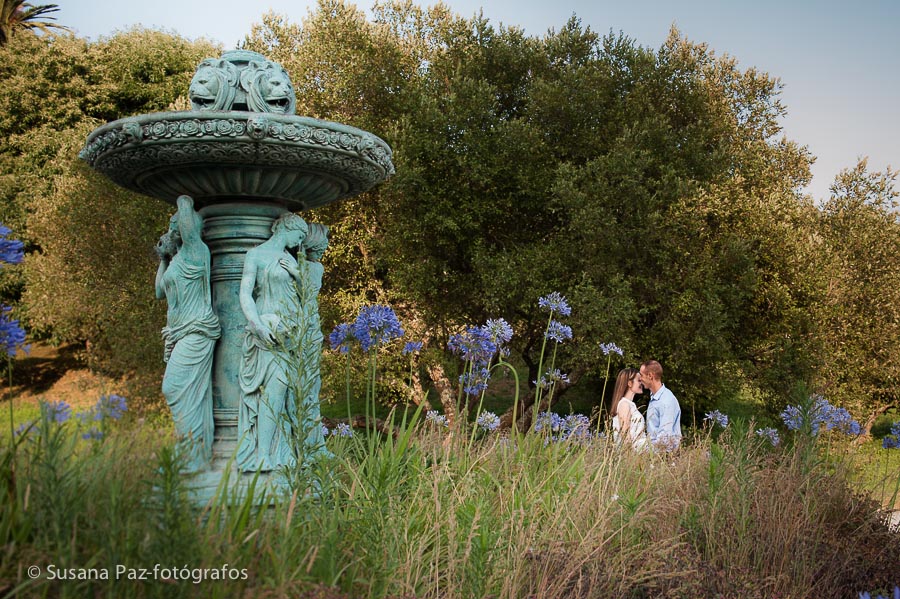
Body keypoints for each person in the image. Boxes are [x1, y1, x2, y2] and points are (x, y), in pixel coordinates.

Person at [237, 212, 308, 472]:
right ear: (287, 227)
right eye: (299, 235)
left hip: (289, 335)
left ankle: (272, 452)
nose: (299, 242)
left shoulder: (291, 259)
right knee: (273, 392)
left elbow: (305, 297)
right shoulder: (255, 255)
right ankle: (262, 454)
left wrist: (298, 274)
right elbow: (245, 293)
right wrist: (257, 325)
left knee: (280, 393)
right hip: (267, 332)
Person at [155, 195, 221, 472]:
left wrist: (183, 195)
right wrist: (164, 258)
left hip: (196, 330)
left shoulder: (197, 251)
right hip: (178, 333)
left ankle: (193, 453)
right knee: (184, 392)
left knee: (175, 388)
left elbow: (184, 208)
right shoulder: (178, 259)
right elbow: (159, 292)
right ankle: (191, 453)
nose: (172, 230)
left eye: (177, 226)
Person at [640, 360, 682, 451]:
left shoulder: (666, 400)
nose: (640, 379)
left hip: (663, 455)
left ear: (650, 376)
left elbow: (664, 437)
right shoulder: (655, 398)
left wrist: (646, 452)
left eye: (641, 375)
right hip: (655, 453)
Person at [610, 367, 648, 451]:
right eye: (639, 380)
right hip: (634, 454)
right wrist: (630, 455)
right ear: (630, 383)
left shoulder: (630, 405)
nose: (641, 383)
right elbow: (625, 436)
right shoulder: (624, 405)